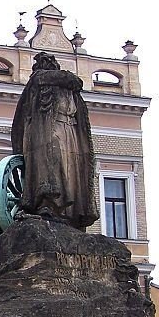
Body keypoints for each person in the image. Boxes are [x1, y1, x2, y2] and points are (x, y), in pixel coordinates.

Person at [10, 52, 99, 230]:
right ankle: (48, 203)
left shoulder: (62, 84)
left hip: (69, 130)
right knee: (53, 163)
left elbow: (75, 82)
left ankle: (69, 211)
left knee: (71, 169)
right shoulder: (39, 80)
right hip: (48, 130)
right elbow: (61, 79)